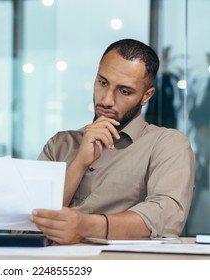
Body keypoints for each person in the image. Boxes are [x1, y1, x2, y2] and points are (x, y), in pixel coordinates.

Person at [29, 38, 196, 245]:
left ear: (146, 96)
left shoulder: (167, 144)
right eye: (103, 82)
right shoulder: (60, 144)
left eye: (124, 91)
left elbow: (166, 217)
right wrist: (79, 163)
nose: (107, 100)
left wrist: (85, 226)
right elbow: (25, 224)